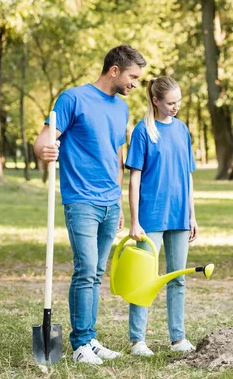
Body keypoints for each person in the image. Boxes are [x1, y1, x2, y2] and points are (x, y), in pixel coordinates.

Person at [33, 45, 147, 365]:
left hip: (111, 202)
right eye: (132, 77)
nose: (135, 84)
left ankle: (90, 339)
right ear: (114, 71)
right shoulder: (73, 99)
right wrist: (45, 151)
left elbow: (117, 158)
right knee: (85, 271)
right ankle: (80, 343)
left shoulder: (121, 109)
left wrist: (121, 202)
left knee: (97, 273)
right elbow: (44, 139)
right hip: (81, 200)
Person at [125, 76, 198, 356]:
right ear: (155, 101)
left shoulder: (182, 130)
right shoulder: (143, 131)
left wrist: (192, 215)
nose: (175, 107)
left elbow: (187, 177)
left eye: (178, 101)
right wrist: (134, 220)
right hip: (150, 216)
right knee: (144, 277)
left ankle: (178, 338)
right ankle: (137, 340)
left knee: (177, 277)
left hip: (179, 215)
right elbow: (134, 179)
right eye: (170, 102)